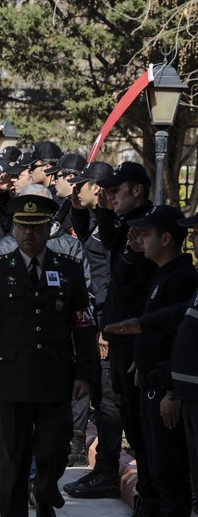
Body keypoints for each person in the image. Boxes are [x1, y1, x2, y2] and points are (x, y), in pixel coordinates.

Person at [0, 194, 97, 517]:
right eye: (23, 226)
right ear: (15, 229)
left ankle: (46, 488)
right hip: (13, 379)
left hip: (56, 376)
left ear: (48, 229)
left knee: (55, 449)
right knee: (12, 462)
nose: (29, 234)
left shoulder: (68, 269)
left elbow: (83, 323)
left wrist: (85, 372)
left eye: (36, 227)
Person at [94, 161, 158, 514]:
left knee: (142, 427)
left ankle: (150, 497)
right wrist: (104, 210)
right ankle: (147, 495)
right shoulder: (126, 224)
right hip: (119, 338)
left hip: (136, 342)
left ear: (137, 190)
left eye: (117, 191)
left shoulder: (148, 225)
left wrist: (143, 348)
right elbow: (110, 250)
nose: (110, 195)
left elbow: (147, 294)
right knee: (132, 425)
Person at [126, 205, 196, 516]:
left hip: (166, 391)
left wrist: (172, 390)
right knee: (154, 472)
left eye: (147, 234)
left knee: (170, 477)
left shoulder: (182, 278)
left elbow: (182, 341)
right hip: (149, 384)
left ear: (166, 238)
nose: (140, 238)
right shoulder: (162, 273)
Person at [64, 161, 124, 496]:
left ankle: (108, 472)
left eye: (81, 185)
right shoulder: (101, 223)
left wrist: (106, 328)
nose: (75, 189)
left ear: (97, 189)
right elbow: (88, 239)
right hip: (95, 320)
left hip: (107, 324)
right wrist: (77, 208)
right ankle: (102, 470)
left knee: (108, 404)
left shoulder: (115, 226)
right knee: (101, 400)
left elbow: (112, 280)